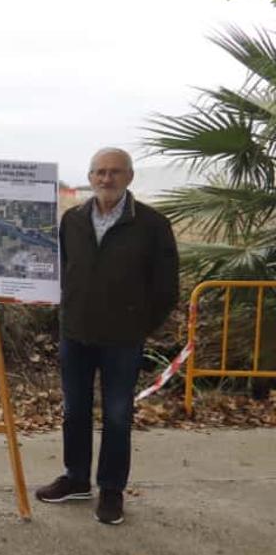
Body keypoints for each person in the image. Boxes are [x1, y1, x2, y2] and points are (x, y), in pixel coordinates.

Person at [35, 147, 179, 525]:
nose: (106, 178)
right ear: (89, 176)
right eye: (99, 172)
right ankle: (77, 479)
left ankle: (112, 490)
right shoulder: (74, 220)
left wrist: (138, 326)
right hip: (76, 334)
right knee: (75, 411)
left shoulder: (152, 225)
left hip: (123, 340)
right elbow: (62, 272)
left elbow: (166, 290)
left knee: (117, 416)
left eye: (114, 172)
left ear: (129, 177)